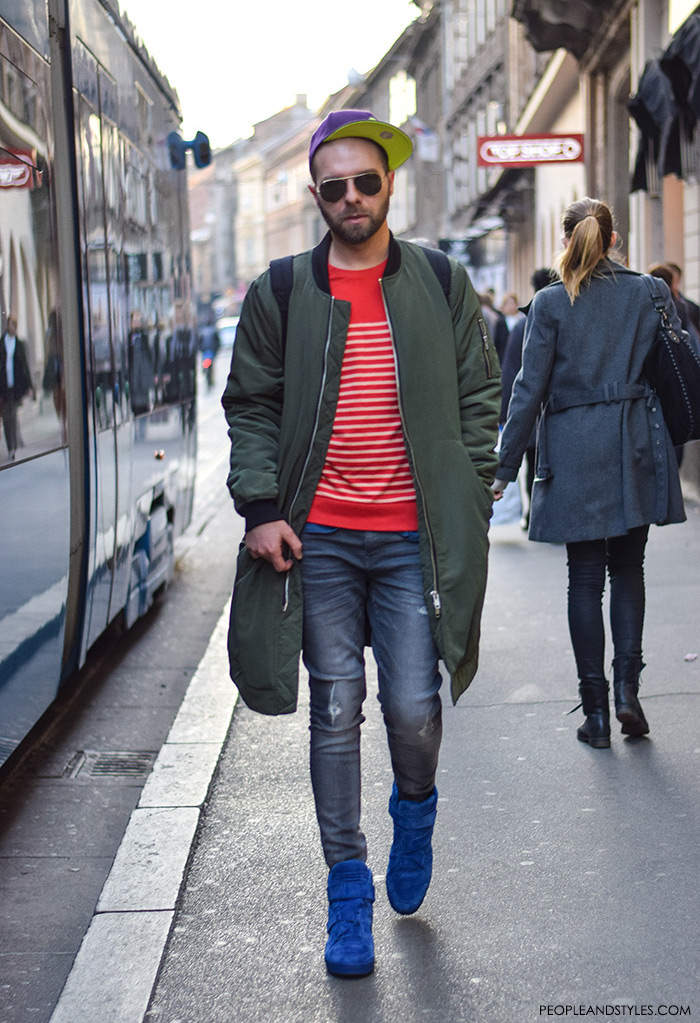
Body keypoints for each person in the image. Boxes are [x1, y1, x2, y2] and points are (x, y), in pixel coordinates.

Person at [222, 109, 500, 977]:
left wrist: (474, 491)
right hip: (323, 542)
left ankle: (413, 810)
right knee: (336, 710)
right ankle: (348, 891)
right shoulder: (280, 291)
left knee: (415, 707)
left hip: (415, 540)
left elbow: (479, 396)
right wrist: (261, 506)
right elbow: (251, 404)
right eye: (333, 186)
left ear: (389, 186)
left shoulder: (441, 282)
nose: (350, 197)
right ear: (316, 196)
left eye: (365, 182)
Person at [493, 198, 685, 750]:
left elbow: (527, 390)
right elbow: (674, 363)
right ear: (615, 239)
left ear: (566, 239)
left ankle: (596, 712)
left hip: (574, 449)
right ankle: (629, 691)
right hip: (635, 443)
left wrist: (505, 467)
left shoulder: (550, 302)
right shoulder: (649, 292)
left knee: (584, 577)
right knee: (629, 569)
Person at [499, 269, 552, 524]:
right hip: (552, 412)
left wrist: (508, 412)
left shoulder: (524, 323)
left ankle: (534, 512)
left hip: (531, 411)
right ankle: (541, 512)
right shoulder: (547, 315)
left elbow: (511, 372)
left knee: (534, 465)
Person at [1, 315, 35, 461]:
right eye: (9, 325)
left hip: (15, 387)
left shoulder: (19, 344)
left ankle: (13, 447)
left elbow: (25, 366)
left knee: (13, 415)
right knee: (6, 417)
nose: (11, 328)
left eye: (13, 325)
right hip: (3, 387)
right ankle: (10, 446)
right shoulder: (1, 344)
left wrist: (30, 386)